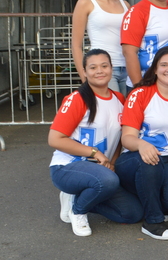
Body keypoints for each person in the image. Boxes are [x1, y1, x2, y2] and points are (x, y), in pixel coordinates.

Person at [48, 49, 143, 237]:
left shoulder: (119, 99)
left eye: (104, 66)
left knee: (132, 213)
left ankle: (80, 196)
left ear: (111, 68)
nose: (99, 71)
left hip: (101, 170)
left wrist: (112, 162)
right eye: (93, 67)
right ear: (84, 72)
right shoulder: (77, 99)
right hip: (67, 166)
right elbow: (54, 139)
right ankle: (78, 211)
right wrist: (95, 153)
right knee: (108, 180)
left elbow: (119, 139)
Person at [114, 47, 168, 240]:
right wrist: (142, 145)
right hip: (138, 159)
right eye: (164, 65)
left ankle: (153, 199)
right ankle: (153, 222)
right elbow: (127, 138)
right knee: (149, 162)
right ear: (155, 69)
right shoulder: (140, 94)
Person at [71, 0, 130, 94]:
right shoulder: (85, 3)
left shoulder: (126, 5)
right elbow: (76, 45)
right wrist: (85, 77)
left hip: (128, 69)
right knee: (111, 113)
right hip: (102, 70)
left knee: (128, 114)